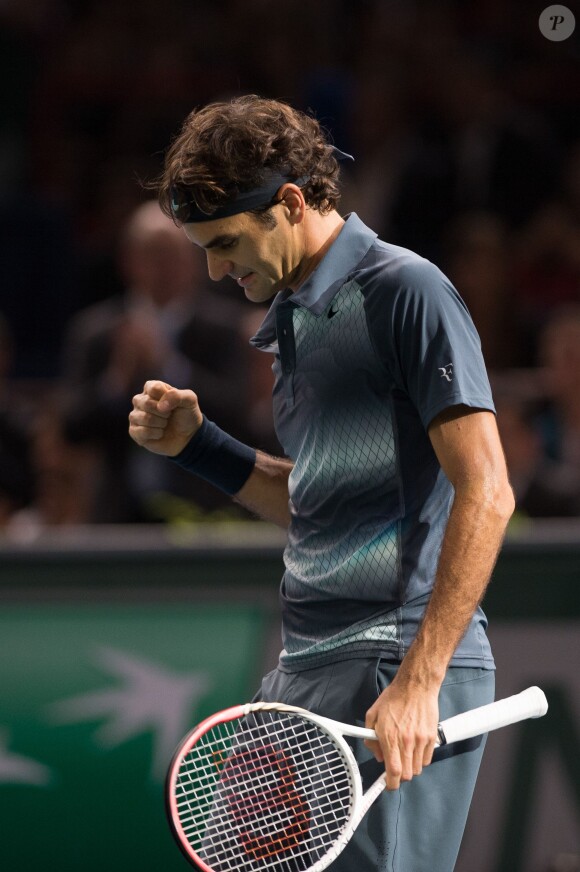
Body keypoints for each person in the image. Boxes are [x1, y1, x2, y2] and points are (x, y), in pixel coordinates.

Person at [128, 95, 515, 871]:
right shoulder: (296, 317)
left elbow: (487, 490)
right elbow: (323, 502)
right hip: (305, 668)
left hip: (392, 664)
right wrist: (200, 448)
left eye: (226, 244)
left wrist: (420, 681)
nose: (215, 270)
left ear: (291, 203)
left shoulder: (407, 291)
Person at [62, 199, 252, 522]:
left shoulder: (225, 328)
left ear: (193, 261)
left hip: (201, 513)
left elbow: (239, 413)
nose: (164, 267)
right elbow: (72, 428)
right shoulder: (96, 332)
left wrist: (169, 366)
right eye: (153, 254)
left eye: (173, 255)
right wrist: (116, 381)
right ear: (128, 261)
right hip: (117, 516)